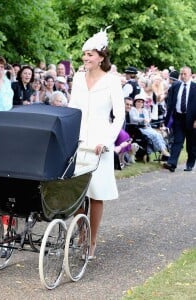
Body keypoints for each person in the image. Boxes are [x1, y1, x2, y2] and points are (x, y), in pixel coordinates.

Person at [69, 28, 125, 259]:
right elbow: (72, 109)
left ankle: (92, 241)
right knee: (75, 192)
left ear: (101, 57)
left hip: (100, 140)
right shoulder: (77, 78)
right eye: (84, 54)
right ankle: (81, 233)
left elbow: (119, 115)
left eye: (90, 54)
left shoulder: (112, 81)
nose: (85, 58)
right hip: (79, 139)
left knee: (96, 192)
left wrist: (107, 141)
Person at [163, 66, 196, 172]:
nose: (182, 76)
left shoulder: (195, 87)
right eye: (181, 74)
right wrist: (168, 116)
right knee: (177, 141)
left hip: (191, 119)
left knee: (191, 144)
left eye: (185, 74)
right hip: (178, 117)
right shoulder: (175, 85)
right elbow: (170, 101)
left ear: (190, 75)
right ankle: (172, 163)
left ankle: (190, 164)